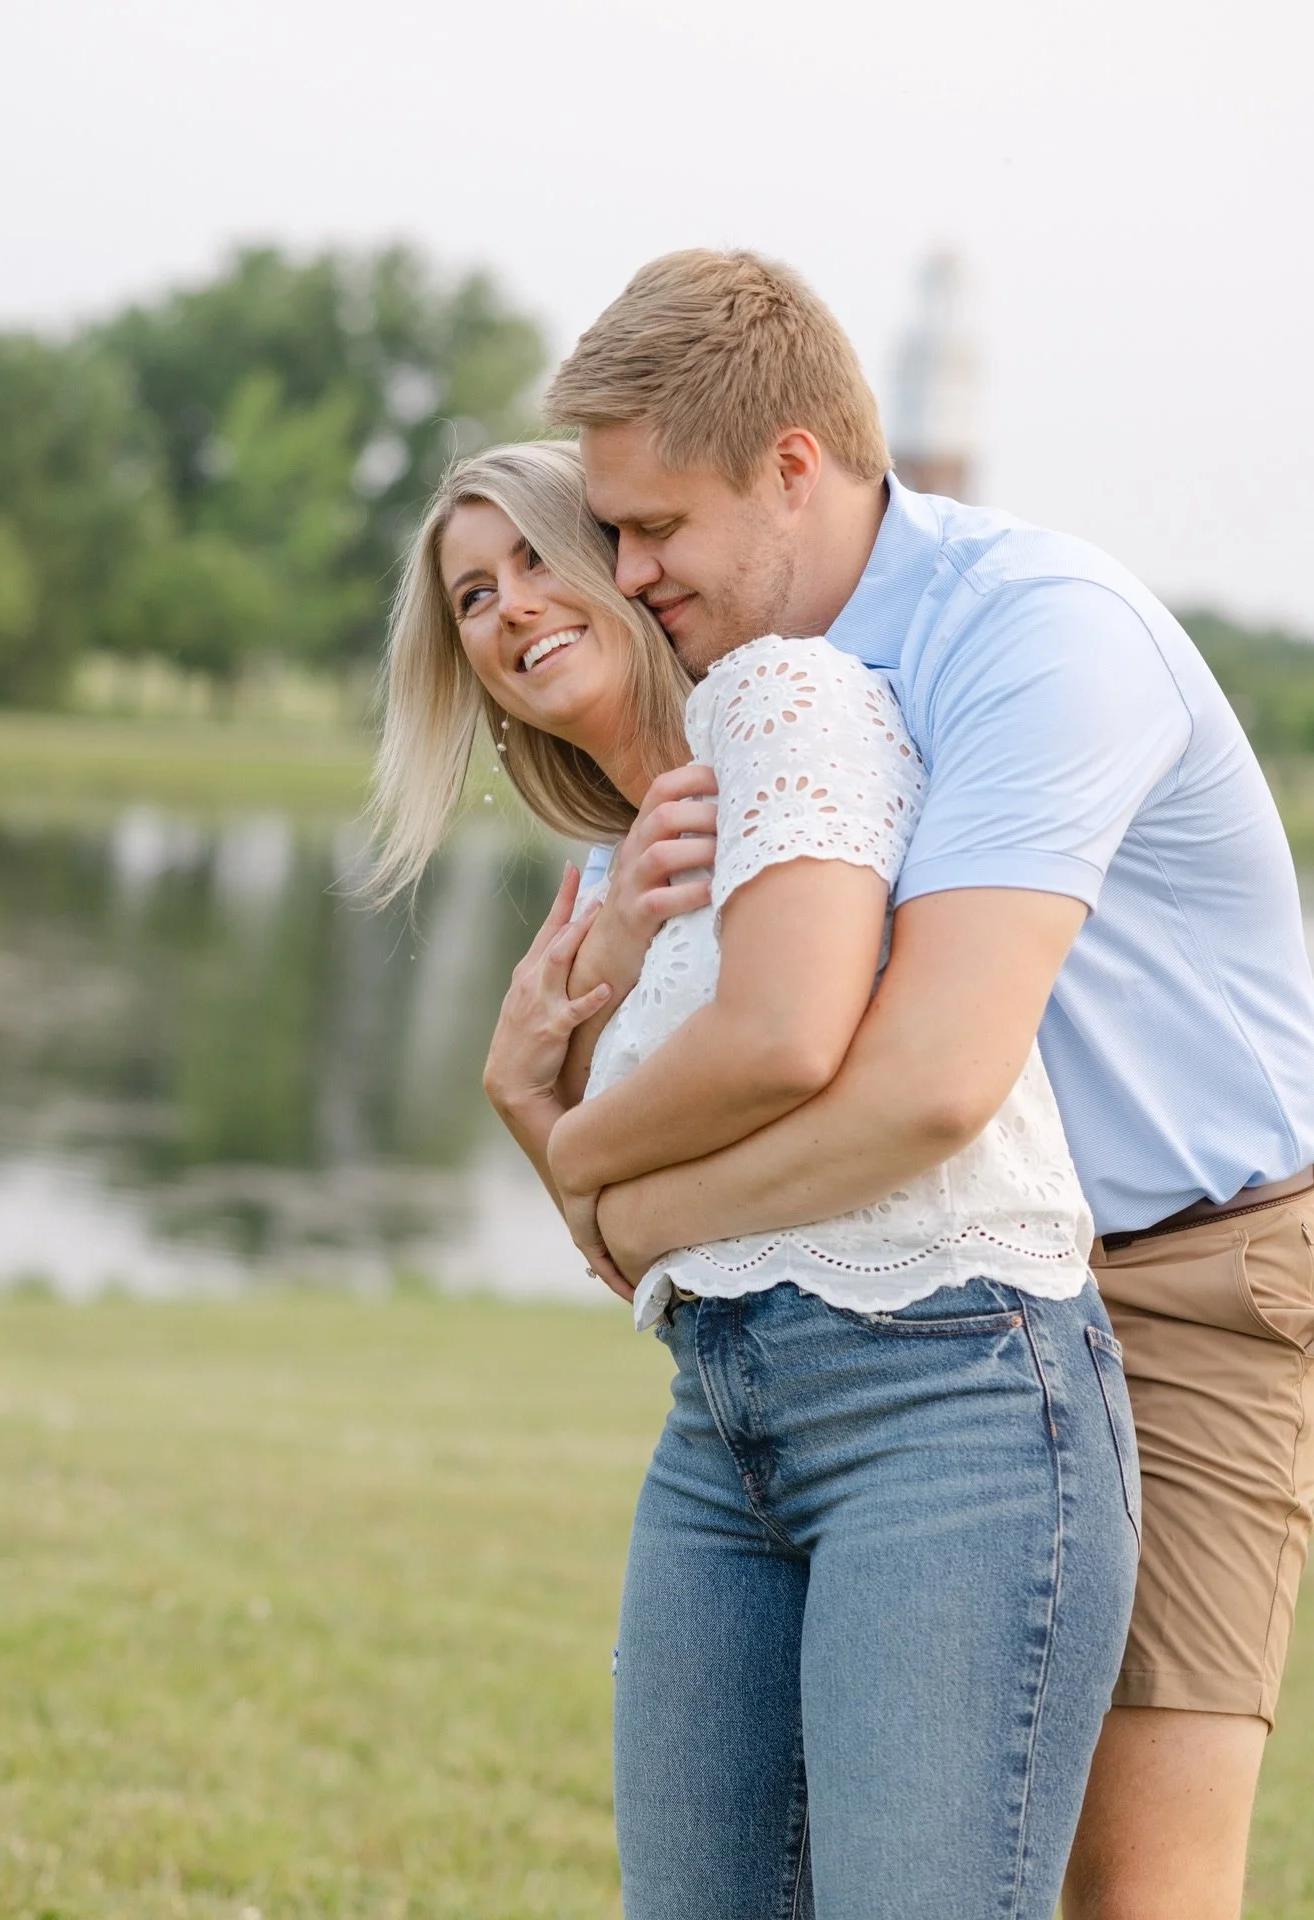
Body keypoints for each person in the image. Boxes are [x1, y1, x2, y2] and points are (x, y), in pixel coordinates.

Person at [534, 247, 1314, 1920]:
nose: (627, 568)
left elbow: (928, 1084)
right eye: (609, 533)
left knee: (1136, 1886)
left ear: (794, 467)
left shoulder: (1039, 638)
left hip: (1187, 1269)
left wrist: (614, 1199)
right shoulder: (772, 681)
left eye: (654, 526)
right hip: (931, 1293)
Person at [369, 437, 1139, 1919]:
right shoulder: (600, 883)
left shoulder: (785, 703)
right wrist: (540, 1066)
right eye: (472, 595)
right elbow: (627, 1256)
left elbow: (777, 1050)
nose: (511, 608)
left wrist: (555, 1122)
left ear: (622, 560)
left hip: (952, 1394)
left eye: (539, 555)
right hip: (721, 1418)